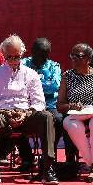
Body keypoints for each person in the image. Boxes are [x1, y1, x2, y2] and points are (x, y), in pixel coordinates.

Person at [0, 34, 59, 185]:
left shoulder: (31, 74)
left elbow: (39, 102)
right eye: (9, 57)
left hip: (26, 114)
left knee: (47, 116)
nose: (13, 60)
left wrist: (25, 113)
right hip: (4, 115)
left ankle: (47, 167)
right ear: (4, 55)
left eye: (17, 57)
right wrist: (6, 113)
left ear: (22, 54)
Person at [57, 43, 93, 182]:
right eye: (72, 56)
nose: (74, 59)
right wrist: (71, 105)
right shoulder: (67, 76)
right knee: (71, 125)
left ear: (89, 59)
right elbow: (60, 106)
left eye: (78, 56)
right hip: (77, 115)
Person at [23, 38, 62, 171]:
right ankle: (27, 158)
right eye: (40, 53)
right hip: (27, 104)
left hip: (49, 104)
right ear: (32, 51)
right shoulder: (23, 64)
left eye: (46, 54)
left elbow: (55, 86)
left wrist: (33, 85)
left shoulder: (54, 66)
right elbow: (20, 85)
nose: (42, 57)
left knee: (59, 120)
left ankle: (49, 156)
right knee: (16, 121)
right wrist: (42, 85)